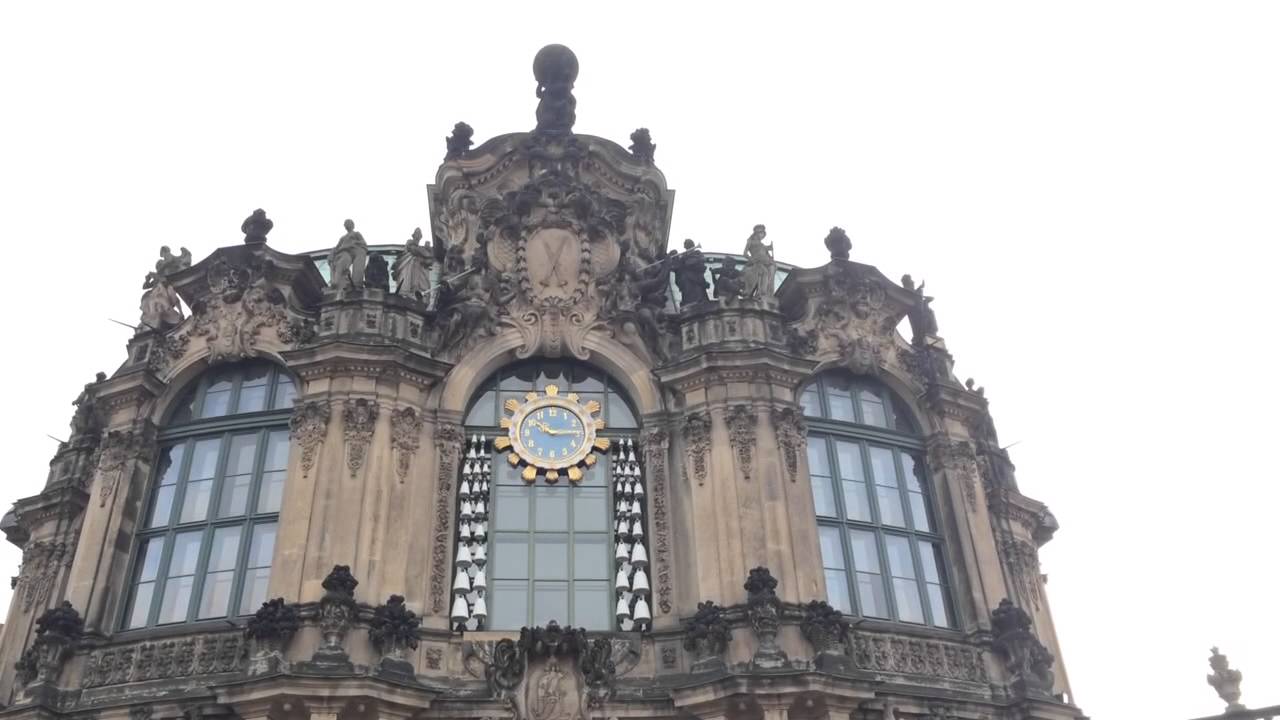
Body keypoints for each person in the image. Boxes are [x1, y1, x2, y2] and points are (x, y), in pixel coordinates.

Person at [393, 228, 434, 301]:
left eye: (419, 234)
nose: (418, 236)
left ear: (421, 237)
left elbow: (429, 260)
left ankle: (416, 293)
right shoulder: (410, 242)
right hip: (407, 266)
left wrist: (428, 251)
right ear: (413, 235)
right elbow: (415, 250)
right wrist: (427, 251)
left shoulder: (420, 251)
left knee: (418, 283)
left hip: (416, 269)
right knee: (406, 282)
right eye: (416, 234)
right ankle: (406, 293)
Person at [329, 219, 367, 292]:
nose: (346, 225)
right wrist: (332, 253)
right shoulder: (342, 238)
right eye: (345, 224)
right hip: (342, 253)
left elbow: (363, 243)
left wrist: (353, 243)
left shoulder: (356, 234)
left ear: (352, 225)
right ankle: (336, 282)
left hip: (350, 253)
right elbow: (337, 247)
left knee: (341, 264)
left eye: (348, 223)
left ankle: (338, 282)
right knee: (340, 265)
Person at [740, 224, 776, 299]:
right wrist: (752, 260)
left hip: (765, 262)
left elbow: (765, 249)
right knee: (764, 272)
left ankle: (762, 292)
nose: (762, 236)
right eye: (761, 234)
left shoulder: (761, 244)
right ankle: (760, 292)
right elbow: (745, 253)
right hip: (757, 262)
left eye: (763, 234)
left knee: (768, 271)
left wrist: (770, 247)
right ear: (757, 233)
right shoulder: (750, 241)